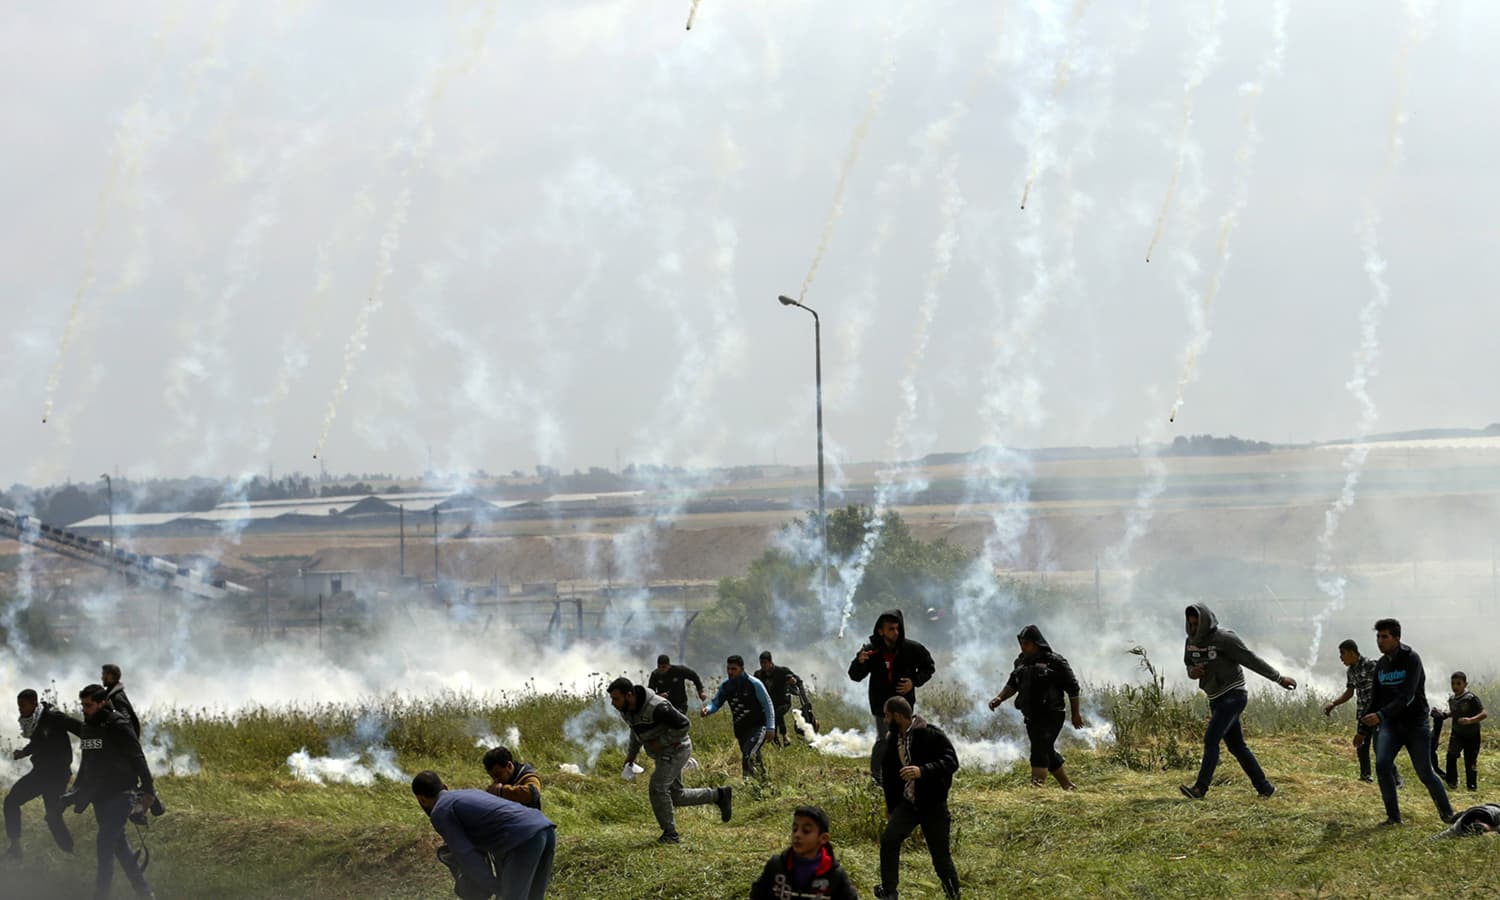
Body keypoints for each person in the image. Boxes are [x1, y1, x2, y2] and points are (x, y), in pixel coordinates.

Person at [1179, 603, 1296, 800]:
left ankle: (1200, 789)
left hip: (1233, 695)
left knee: (1211, 739)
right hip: (1215, 699)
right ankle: (1265, 788)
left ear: (1205, 621)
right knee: (1236, 746)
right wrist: (1193, 672)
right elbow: (1189, 666)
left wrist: (1278, 678)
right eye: (1190, 625)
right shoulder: (1190, 642)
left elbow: (1251, 659)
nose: (1193, 629)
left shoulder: (1225, 639)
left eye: (1196, 624)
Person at [608, 676, 732, 844]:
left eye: (616, 698)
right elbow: (636, 731)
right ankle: (719, 795)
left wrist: (661, 742)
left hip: (676, 749)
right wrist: (631, 755)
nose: (613, 703)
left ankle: (670, 834)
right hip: (662, 753)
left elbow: (684, 725)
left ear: (629, 695)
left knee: (657, 787)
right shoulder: (627, 710)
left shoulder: (657, 707)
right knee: (676, 797)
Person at [1360, 618, 1455, 826]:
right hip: (1390, 726)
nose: (1379, 641)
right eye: (1378, 636)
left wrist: (1381, 715)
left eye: (1384, 636)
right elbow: (1374, 699)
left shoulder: (1412, 659)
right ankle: (1394, 818)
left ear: (1396, 637)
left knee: (1425, 772)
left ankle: (1448, 815)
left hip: (1415, 724)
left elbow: (1408, 695)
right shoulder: (1381, 665)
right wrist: (1362, 730)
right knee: (1382, 765)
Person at [68, 683, 155, 899]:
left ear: (102, 703)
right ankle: (145, 893)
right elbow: (86, 762)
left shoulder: (117, 724)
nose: (84, 710)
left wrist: (148, 789)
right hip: (99, 795)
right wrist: (75, 790)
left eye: (88, 705)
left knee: (104, 843)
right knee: (119, 846)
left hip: (122, 793)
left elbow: (137, 756)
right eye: (82, 705)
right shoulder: (88, 727)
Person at [410, 770, 555, 900]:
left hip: (523, 838)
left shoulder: (440, 811)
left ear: (421, 799)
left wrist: (495, 887)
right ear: (445, 787)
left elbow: (466, 855)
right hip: (544, 827)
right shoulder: (471, 793)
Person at [874, 696, 960, 900]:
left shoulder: (931, 734)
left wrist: (923, 771)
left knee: (940, 856)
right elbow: (889, 774)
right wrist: (891, 805)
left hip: (933, 805)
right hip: (908, 804)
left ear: (897, 715)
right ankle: (890, 891)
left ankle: (953, 895)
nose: (885, 720)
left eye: (887, 716)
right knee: (889, 839)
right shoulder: (893, 739)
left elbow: (951, 762)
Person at [987, 624, 1083, 789]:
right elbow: (1012, 684)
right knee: (1045, 748)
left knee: (1039, 748)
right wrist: (999, 698)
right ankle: (1068, 786)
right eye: (1021, 643)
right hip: (1031, 716)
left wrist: (1075, 715)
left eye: (1027, 643)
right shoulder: (1020, 662)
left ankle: (1036, 789)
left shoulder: (1055, 661)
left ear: (1037, 643)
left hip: (1052, 714)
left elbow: (1073, 689)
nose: (1023, 647)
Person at [848, 609, 935, 785]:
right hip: (881, 704)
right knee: (884, 739)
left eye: (897, 628)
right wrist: (859, 662)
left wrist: (914, 681)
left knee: (905, 738)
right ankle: (877, 778)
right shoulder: (871, 651)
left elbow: (929, 667)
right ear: (880, 631)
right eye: (890, 629)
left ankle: (907, 775)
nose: (895, 633)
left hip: (904, 704)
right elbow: (855, 676)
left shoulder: (912, 649)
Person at [5, 689, 81, 859]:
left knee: (52, 816)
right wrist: (24, 752)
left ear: (34, 703)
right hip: (39, 774)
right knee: (11, 801)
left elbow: (80, 729)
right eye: (19, 707)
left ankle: (70, 853)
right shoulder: (34, 721)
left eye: (23, 706)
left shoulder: (53, 717)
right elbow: (38, 742)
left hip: (57, 776)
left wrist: (97, 746)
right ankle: (15, 847)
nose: (20, 710)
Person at [749, 805, 859, 900]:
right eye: (795, 829)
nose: (797, 835)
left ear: (823, 838)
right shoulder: (776, 866)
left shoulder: (835, 875)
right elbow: (757, 895)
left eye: (806, 831)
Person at [702, 656, 776, 780]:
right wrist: (708, 710)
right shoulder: (726, 686)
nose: (730, 672)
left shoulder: (754, 684)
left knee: (748, 754)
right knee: (754, 757)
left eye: (734, 669)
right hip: (741, 730)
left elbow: (768, 705)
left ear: (742, 669)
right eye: (728, 669)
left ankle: (748, 785)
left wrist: (771, 727)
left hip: (759, 727)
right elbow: (716, 702)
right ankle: (764, 784)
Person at [1322, 639, 1379, 782]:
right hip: (1362, 713)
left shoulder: (1371, 666)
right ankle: (1365, 777)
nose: (1340, 657)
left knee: (1379, 747)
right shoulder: (1351, 671)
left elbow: (1381, 689)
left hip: (1376, 713)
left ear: (1352, 653)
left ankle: (1395, 779)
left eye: (1343, 653)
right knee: (1362, 747)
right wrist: (1334, 703)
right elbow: (1349, 692)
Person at [1435, 671, 1486, 791]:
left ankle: (1471, 787)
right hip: (1457, 733)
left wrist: (1470, 720)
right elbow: (1456, 712)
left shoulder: (1471, 698)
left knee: (1470, 761)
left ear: (1465, 684)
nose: (1455, 686)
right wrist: (1445, 715)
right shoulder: (1452, 699)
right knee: (1451, 756)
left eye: (1458, 683)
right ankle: (1452, 782)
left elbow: (1484, 713)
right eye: (1453, 683)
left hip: (1472, 734)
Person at [757, 651, 803, 747]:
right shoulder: (759, 675)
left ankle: (784, 735)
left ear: (770, 662)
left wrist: (793, 680)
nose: (763, 665)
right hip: (770, 704)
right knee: (770, 715)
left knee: (775, 714)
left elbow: (797, 679)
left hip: (784, 702)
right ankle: (777, 743)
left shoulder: (782, 671)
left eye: (765, 663)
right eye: (761, 663)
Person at [482, 746, 543, 810]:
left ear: (509, 766)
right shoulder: (503, 779)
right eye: (492, 776)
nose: (496, 780)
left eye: (498, 775)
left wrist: (501, 791)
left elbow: (533, 794)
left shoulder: (528, 776)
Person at [100, 665, 140, 739]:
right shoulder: (113, 694)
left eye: (103, 674)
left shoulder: (116, 697)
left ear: (110, 676)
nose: (102, 678)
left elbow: (125, 722)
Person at [1434, 803, 1500, 838]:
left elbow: (1439, 837)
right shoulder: (1458, 829)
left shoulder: (1457, 828)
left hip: (1482, 811)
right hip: (1479, 812)